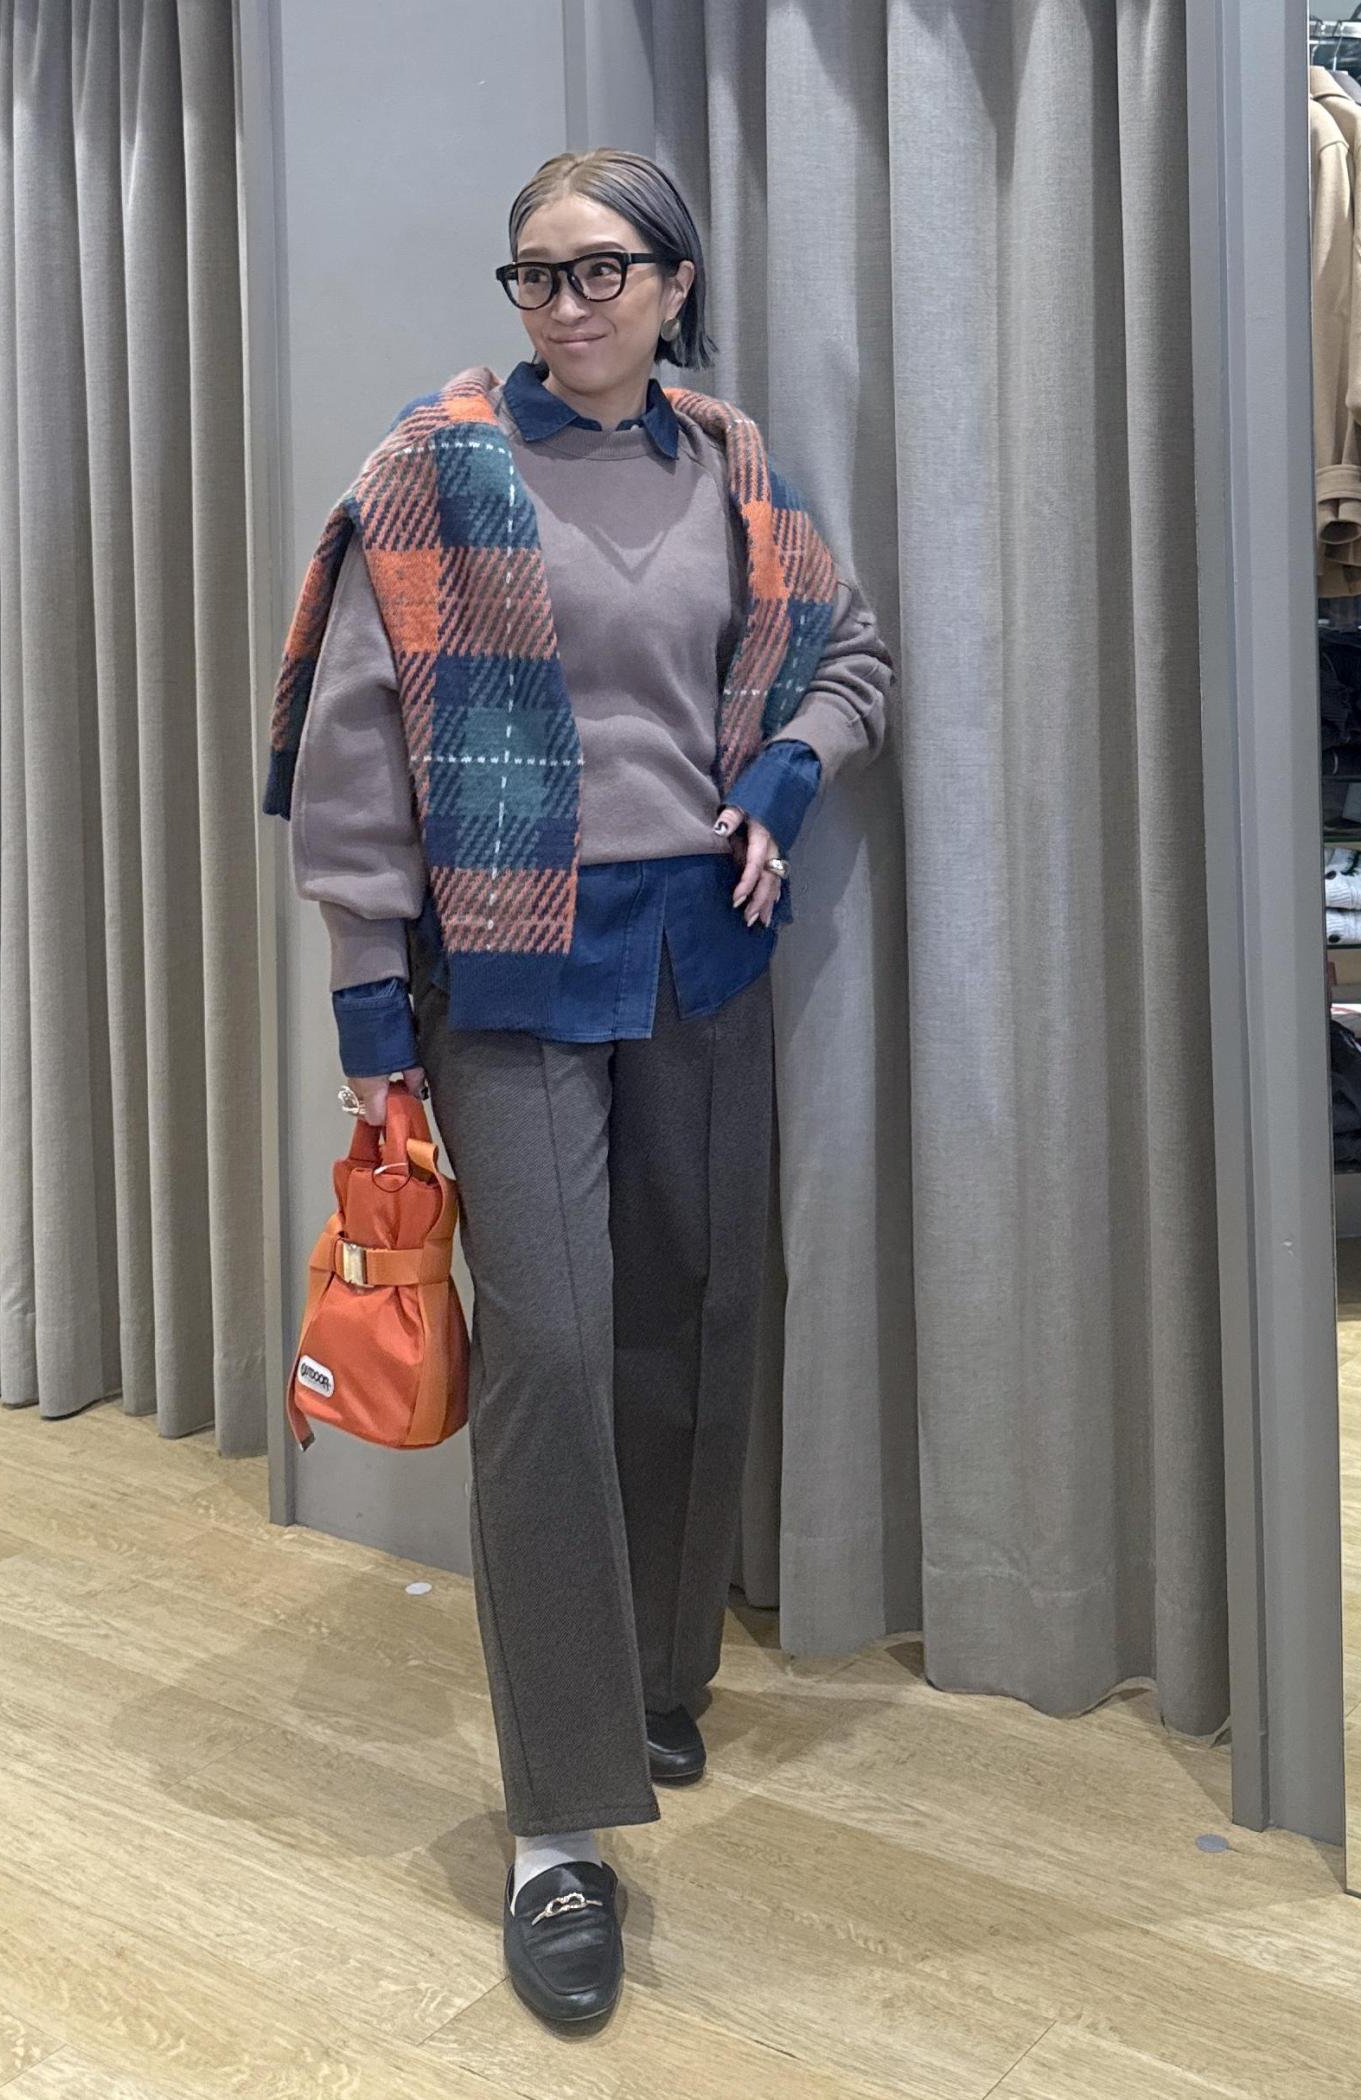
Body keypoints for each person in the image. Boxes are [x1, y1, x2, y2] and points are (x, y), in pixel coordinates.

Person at [264, 146, 893, 2029]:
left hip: (702, 954)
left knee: (693, 1320)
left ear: (676, 283)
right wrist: (373, 1025)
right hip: (509, 970)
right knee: (548, 1352)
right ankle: (559, 1825)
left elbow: (849, 654)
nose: (567, 302)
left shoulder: (736, 464)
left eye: (603, 267)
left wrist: (785, 773)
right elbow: (356, 761)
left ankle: (655, 1679)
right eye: (536, 273)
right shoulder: (432, 469)